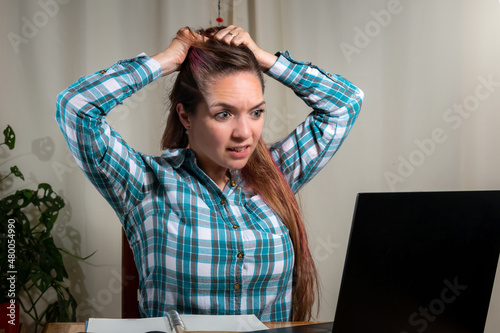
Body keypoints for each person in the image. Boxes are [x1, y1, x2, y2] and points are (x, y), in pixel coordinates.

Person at [56, 25, 364, 322]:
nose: (245, 133)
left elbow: (345, 103)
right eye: (224, 114)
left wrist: (262, 59)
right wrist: (165, 61)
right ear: (186, 115)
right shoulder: (144, 183)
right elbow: (76, 107)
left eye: (256, 112)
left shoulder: (277, 173)